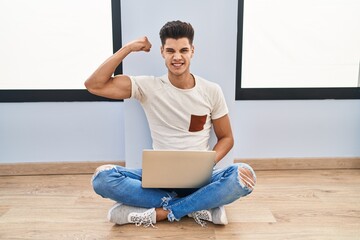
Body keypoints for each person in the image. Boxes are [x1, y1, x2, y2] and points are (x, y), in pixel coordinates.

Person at [85, 20, 256, 227]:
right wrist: (128, 48)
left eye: (184, 50)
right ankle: (199, 207)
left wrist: (207, 163)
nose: (177, 57)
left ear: (192, 51)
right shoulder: (147, 86)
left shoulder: (211, 90)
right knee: (102, 179)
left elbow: (227, 138)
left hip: (200, 179)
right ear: (162, 52)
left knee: (244, 175)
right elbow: (94, 85)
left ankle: (161, 212)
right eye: (170, 51)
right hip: (159, 179)